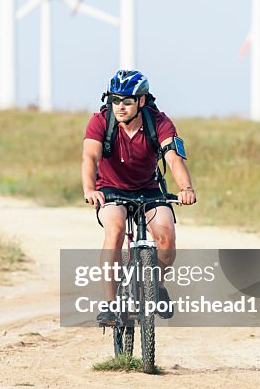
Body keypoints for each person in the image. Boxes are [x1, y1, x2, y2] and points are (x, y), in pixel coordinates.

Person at [81, 69, 197, 327]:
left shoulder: (160, 122)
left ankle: (158, 286)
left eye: (127, 101)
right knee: (115, 229)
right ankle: (111, 305)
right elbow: (90, 157)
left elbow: (173, 158)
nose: (120, 107)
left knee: (166, 234)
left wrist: (186, 188)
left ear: (141, 101)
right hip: (110, 188)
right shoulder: (101, 121)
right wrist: (90, 189)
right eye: (115, 100)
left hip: (150, 189)